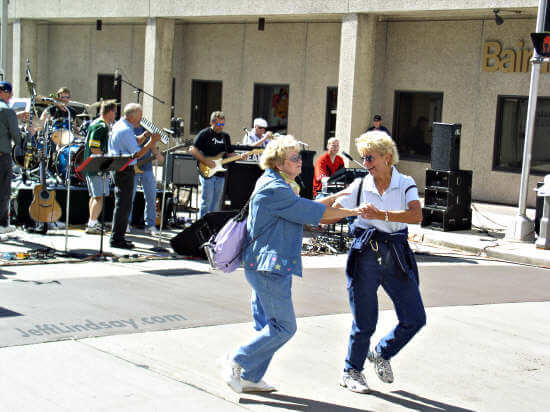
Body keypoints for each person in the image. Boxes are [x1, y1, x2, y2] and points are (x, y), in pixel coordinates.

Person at [221, 135, 364, 393]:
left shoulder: (278, 184)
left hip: (268, 265)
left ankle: (252, 377)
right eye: (295, 158)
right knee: (284, 327)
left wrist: (337, 197)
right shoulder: (274, 188)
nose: (301, 161)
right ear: (278, 162)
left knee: (269, 326)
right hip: (268, 268)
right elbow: (313, 214)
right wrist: (354, 211)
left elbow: (303, 208)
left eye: (300, 156)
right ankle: (238, 361)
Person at [334, 130, 426, 393]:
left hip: (395, 254)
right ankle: (351, 370)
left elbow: (415, 215)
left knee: (415, 317)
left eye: (370, 158)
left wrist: (380, 214)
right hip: (365, 254)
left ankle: (382, 353)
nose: (366, 164)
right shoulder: (362, 185)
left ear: (387, 158)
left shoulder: (405, 182)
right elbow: (336, 206)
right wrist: (310, 209)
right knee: (365, 321)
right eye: (363, 159)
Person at [108, 103, 160, 249]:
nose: (141, 120)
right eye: (139, 117)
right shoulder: (125, 130)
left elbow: (132, 142)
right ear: (132, 117)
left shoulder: (122, 125)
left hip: (121, 167)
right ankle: (117, 238)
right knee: (123, 205)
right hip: (123, 169)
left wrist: (143, 136)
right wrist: (152, 142)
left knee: (123, 204)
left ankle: (118, 237)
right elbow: (137, 154)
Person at [189, 111, 236, 218]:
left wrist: (240, 156)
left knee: (216, 203)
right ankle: (201, 225)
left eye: (223, 124)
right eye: (219, 124)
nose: (221, 127)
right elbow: (192, 150)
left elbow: (229, 153)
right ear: (212, 122)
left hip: (220, 173)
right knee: (207, 201)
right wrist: (206, 161)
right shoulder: (204, 134)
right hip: (206, 172)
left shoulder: (225, 136)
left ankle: (213, 227)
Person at [82, 101, 117, 234]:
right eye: (114, 112)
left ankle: (93, 221)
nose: (115, 115)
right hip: (97, 167)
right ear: (109, 112)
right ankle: (92, 224)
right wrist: (106, 157)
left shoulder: (96, 123)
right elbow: (94, 146)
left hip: (91, 166)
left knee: (94, 196)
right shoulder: (101, 126)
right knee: (99, 197)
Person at [127, 124, 164, 235]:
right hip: (133, 166)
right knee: (129, 197)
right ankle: (126, 223)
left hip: (147, 167)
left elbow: (151, 145)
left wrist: (157, 154)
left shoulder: (146, 128)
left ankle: (150, 225)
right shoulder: (129, 128)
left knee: (151, 196)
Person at [0, 81, 22, 235]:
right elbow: (17, 137)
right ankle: (1, 225)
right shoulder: (7, 111)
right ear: (6, 93)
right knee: (3, 192)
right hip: (2, 156)